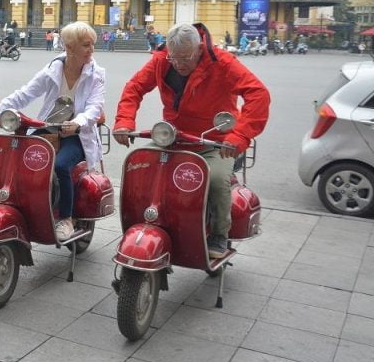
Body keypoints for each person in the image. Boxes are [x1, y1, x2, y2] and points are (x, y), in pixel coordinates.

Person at [113, 23, 270, 258]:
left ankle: (219, 234)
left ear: (199, 48)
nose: (178, 64)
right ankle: (143, 221)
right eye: (174, 58)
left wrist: (239, 134)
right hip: (174, 137)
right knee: (140, 165)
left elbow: (258, 93)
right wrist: (124, 121)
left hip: (215, 142)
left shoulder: (222, 62)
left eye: (185, 58)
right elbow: (135, 87)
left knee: (216, 180)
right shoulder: (162, 60)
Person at [0, 21, 105, 241]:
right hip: (50, 129)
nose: (91, 50)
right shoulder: (53, 69)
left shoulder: (96, 73)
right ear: (69, 47)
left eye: (92, 44)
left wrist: (79, 121)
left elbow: (95, 106)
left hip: (77, 136)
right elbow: (23, 95)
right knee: (18, 156)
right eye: (86, 45)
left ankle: (66, 218)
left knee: (62, 165)